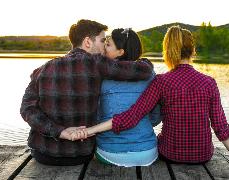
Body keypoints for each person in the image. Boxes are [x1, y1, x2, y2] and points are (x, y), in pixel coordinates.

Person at [75, 26, 229, 173]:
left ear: (167, 50)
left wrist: (89, 131)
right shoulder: (209, 82)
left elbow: (131, 117)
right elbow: (220, 126)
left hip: (171, 155)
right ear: (192, 51)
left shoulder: (162, 81)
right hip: (203, 156)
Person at [20, 19, 153, 166]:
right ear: (88, 42)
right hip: (81, 155)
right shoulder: (97, 63)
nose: (104, 47)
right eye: (102, 41)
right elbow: (142, 71)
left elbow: (27, 109)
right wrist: (146, 62)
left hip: (43, 154)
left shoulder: (41, 70)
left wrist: (61, 132)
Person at [95, 28, 161, 167]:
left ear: (120, 52)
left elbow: (95, 116)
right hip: (148, 152)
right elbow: (155, 118)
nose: (103, 48)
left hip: (111, 152)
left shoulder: (100, 75)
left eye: (108, 44)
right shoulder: (150, 74)